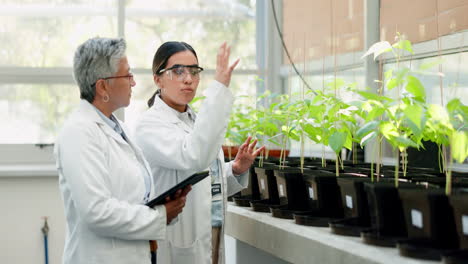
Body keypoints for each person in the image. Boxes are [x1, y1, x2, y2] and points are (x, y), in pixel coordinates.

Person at [54, 37, 190, 264]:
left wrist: (164, 203)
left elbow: (131, 195)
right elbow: (96, 211)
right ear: (103, 86)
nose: (133, 82)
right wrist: (159, 215)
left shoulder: (118, 127)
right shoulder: (78, 133)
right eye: (127, 75)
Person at [135, 41, 264, 264]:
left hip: (211, 231)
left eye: (194, 71)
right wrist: (220, 87)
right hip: (180, 243)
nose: (188, 79)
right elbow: (193, 156)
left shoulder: (194, 121)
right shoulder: (149, 125)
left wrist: (234, 169)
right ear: (157, 79)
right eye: (178, 71)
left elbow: (205, 179)